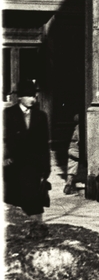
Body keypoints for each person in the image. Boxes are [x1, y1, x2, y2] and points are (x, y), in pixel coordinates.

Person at [4, 80, 51, 237]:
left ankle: (37, 234)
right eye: (30, 96)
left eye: (34, 96)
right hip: (13, 168)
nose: (33, 99)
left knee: (34, 204)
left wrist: (46, 169)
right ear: (20, 97)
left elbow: (45, 144)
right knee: (15, 205)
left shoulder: (40, 116)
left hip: (34, 168)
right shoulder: (8, 115)